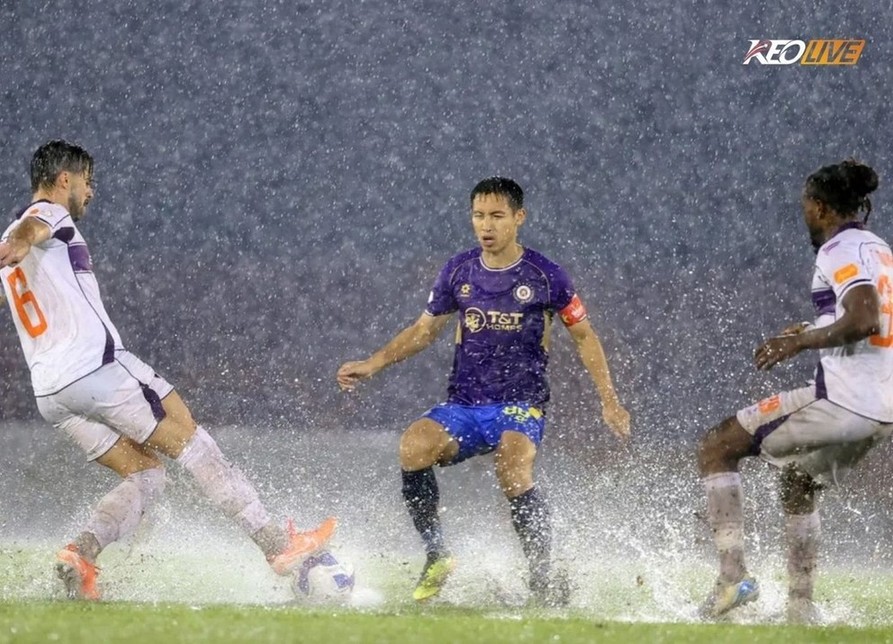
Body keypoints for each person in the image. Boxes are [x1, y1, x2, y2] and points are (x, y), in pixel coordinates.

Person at [0, 140, 336, 601]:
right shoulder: (45, 216)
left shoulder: (9, 243)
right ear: (64, 180)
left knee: (146, 474)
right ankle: (278, 545)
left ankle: (82, 554)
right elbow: (32, 227)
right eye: (87, 181)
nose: (90, 192)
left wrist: (15, 243)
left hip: (51, 393)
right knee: (193, 443)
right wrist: (22, 237)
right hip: (95, 370)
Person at [336, 177, 630, 605]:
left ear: (518, 218)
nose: (486, 226)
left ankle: (542, 577)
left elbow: (584, 336)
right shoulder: (459, 271)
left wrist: (610, 401)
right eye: (478, 216)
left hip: (521, 405)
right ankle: (437, 555)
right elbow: (424, 331)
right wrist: (373, 363)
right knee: (413, 446)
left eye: (496, 216)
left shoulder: (546, 276)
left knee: (513, 466)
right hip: (465, 405)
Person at [697, 159, 893, 623]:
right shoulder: (879, 248)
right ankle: (801, 607)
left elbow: (865, 318)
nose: (804, 215)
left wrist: (800, 342)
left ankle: (731, 579)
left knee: (717, 446)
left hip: (843, 401)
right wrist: (813, 327)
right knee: (798, 481)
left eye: (806, 206)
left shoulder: (837, 250)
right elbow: (872, 320)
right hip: (883, 407)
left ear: (821, 208)